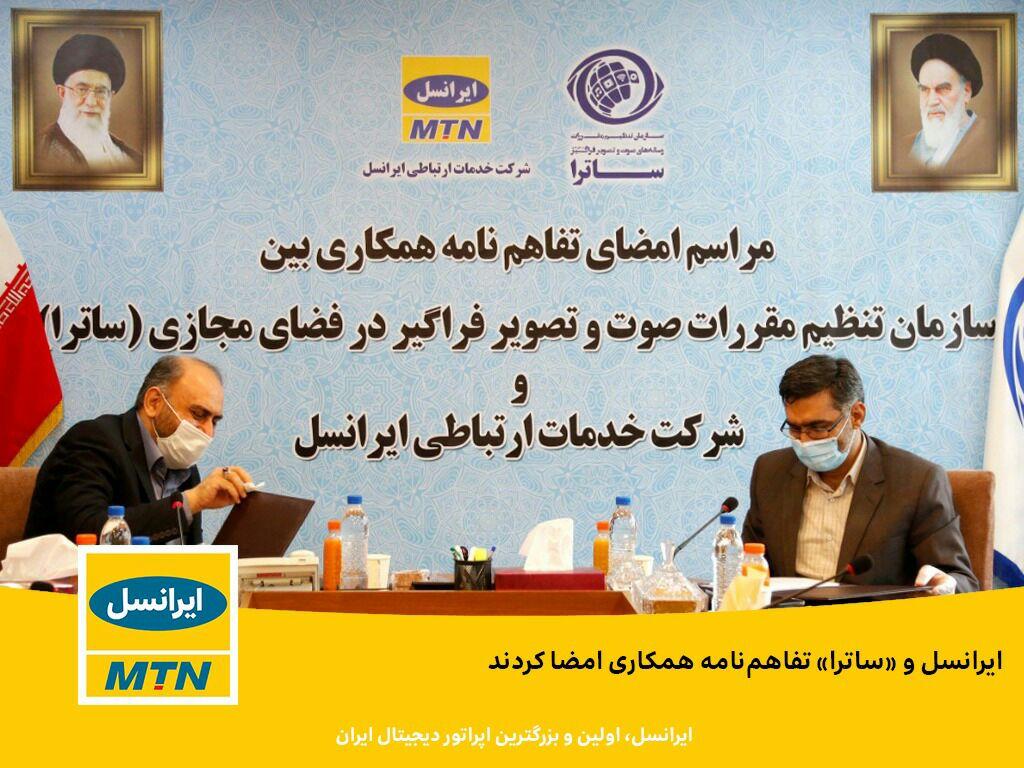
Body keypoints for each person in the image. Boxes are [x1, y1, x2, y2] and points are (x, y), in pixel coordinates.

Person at [742, 355, 978, 595]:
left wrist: (946, 585)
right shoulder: (770, 472)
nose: (803, 440)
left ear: (856, 415)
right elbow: (748, 566)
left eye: (817, 428)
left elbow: (961, 580)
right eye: (794, 428)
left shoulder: (918, 481)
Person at [24, 356, 253, 544]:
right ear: (154, 402)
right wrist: (192, 501)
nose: (208, 432)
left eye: (215, 421)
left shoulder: (186, 470)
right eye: (199, 414)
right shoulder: (93, 440)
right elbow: (88, 531)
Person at [35, 33, 143, 174]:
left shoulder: (132, 160)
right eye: (82, 90)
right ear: (62, 92)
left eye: (101, 91)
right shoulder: (37, 153)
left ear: (111, 96)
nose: (91, 102)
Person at [901, 33, 995, 173]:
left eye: (943, 89)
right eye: (924, 89)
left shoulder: (991, 142)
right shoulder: (904, 146)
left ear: (966, 92)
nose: (932, 101)